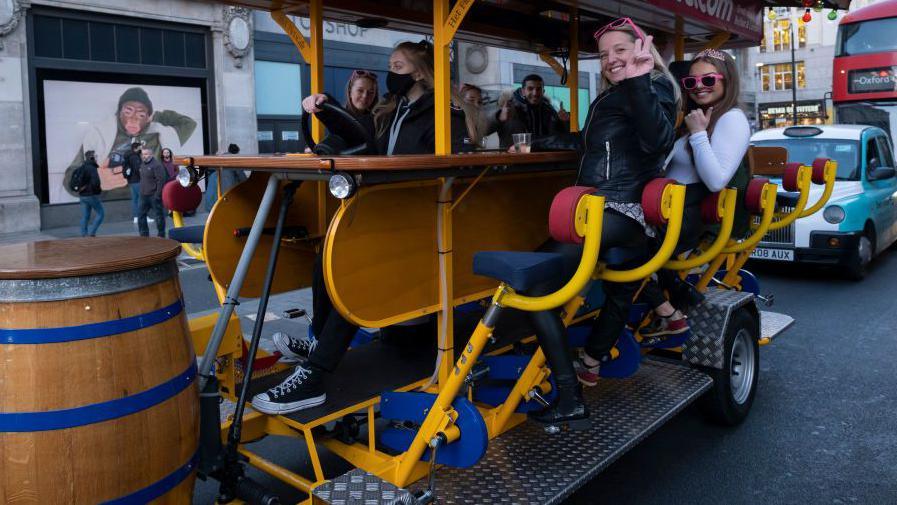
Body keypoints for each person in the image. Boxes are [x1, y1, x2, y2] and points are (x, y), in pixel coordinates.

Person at [252, 40, 472, 415]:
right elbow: (364, 141)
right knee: (326, 257)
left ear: (418, 73)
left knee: (354, 272)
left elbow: (451, 170)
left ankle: (317, 376)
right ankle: (322, 343)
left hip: (423, 227)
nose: (392, 74)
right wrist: (327, 112)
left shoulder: (442, 114)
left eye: (398, 66)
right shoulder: (397, 109)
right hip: (389, 216)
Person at [519, 18, 679, 428]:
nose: (611, 60)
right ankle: (571, 376)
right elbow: (587, 142)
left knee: (532, 281)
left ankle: (570, 395)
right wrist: (537, 142)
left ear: (642, 49)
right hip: (601, 209)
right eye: (605, 55)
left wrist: (640, 80)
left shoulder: (652, 86)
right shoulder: (615, 95)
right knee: (544, 280)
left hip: (620, 211)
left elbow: (658, 140)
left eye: (620, 51)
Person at [638, 49, 751, 339]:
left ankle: (669, 308)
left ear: (727, 81)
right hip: (666, 208)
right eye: (691, 82)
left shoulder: (731, 119)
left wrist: (699, 133)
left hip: (686, 214)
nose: (699, 86)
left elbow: (715, 181)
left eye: (709, 79)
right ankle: (675, 300)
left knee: (621, 247)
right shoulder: (698, 117)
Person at [63, 86, 197, 200]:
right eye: (128, 111)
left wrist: (157, 115)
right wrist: (94, 180)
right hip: (112, 209)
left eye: (140, 114)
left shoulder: (157, 134)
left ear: (148, 118)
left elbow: (189, 124)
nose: (133, 119)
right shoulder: (100, 135)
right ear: (119, 113)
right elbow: (70, 178)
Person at [495, 74, 570, 148]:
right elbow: (486, 130)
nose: (535, 93)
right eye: (530, 89)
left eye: (538, 89)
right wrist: (499, 118)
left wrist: (566, 122)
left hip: (544, 158)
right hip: (513, 158)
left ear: (543, 91)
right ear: (523, 91)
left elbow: (563, 138)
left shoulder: (550, 111)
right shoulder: (509, 108)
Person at [136, 148, 168, 237]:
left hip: (154, 195)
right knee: (141, 215)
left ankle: (161, 234)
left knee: (159, 215)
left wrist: (157, 195)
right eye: (143, 154)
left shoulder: (157, 165)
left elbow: (161, 181)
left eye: (146, 154)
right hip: (143, 195)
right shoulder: (142, 164)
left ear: (151, 154)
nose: (144, 156)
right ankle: (144, 235)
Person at [76, 150, 104, 237]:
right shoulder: (92, 168)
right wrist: (97, 191)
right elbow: (96, 182)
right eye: (95, 156)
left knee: (85, 216)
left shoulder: (83, 166)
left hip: (82, 196)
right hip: (91, 195)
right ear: (92, 158)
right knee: (101, 213)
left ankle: (84, 234)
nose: (97, 158)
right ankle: (92, 233)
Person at [122, 142, 145, 224]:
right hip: (137, 180)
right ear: (136, 148)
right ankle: (142, 216)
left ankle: (136, 217)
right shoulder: (134, 156)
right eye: (140, 147)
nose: (141, 149)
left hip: (131, 181)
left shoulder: (129, 156)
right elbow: (137, 168)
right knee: (141, 199)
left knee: (135, 199)